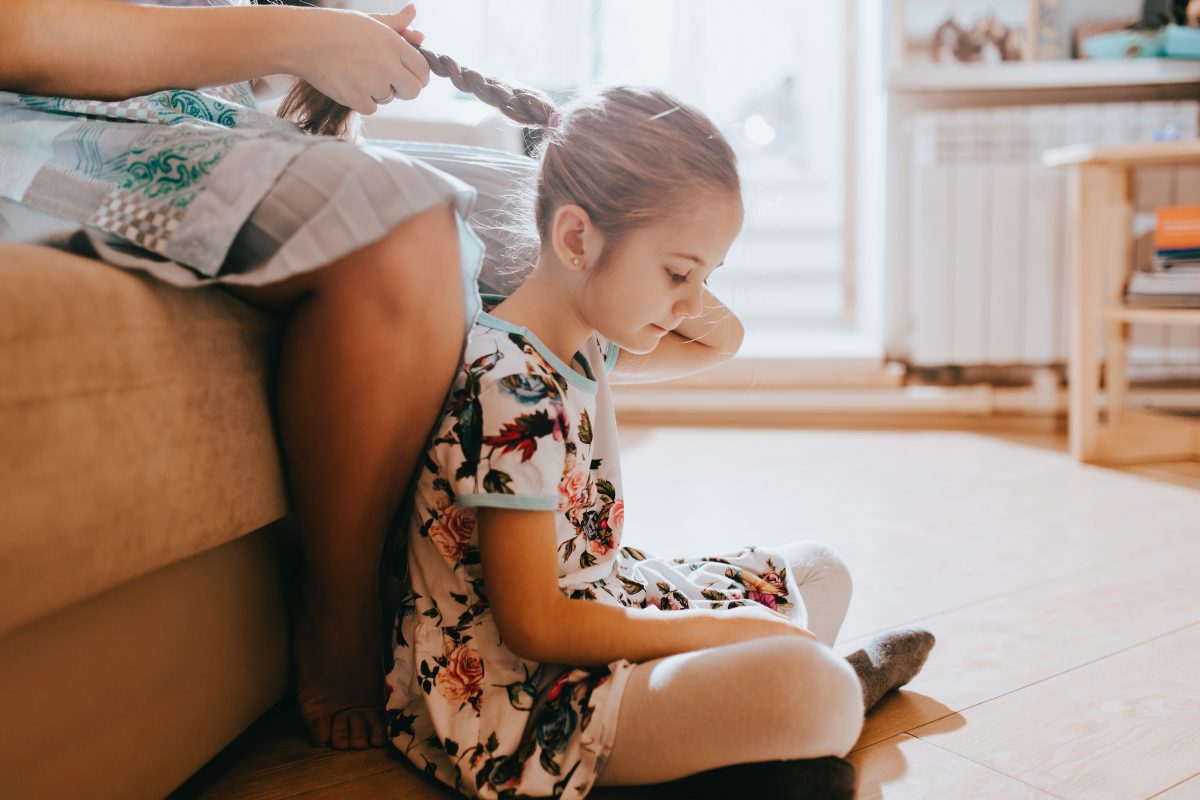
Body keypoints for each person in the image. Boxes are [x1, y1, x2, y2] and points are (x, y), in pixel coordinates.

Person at [282, 42, 939, 799]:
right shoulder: (511, 388)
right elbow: (537, 628)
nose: (692, 303)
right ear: (574, 239)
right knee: (807, 688)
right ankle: (808, 714)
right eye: (677, 273)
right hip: (523, 692)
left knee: (821, 570)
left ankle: (773, 730)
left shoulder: (585, 345)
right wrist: (727, 635)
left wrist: (675, 254)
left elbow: (723, 339)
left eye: (708, 275)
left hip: (605, 602)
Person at [0, 0, 517, 753]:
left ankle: (521, 566)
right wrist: (300, 38)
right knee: (403, 223)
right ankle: (341, 608)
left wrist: (312, 52)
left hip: (204, 122)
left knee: (580, 233)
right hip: (46, 131)